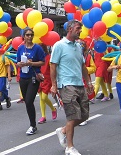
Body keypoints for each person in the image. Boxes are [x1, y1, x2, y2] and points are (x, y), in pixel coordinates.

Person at [50, 20, 93, 155]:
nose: (80, 31)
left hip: (79, 84)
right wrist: (54, 85)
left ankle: (63, 130)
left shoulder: (78, 47)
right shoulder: (59, 45)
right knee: (72, 115)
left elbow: (82, 66)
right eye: (78, 28)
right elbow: (53, 65)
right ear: (70, 29)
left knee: (84, 115)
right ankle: (70, 147)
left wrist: (89, 83)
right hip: (66, 85)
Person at [17, 28, 45, 135]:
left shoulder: (37, 48)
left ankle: (32, 126)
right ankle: (32, 123)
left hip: (33, 77)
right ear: (23, 36)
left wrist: (31, 63)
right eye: (27, 35)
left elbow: (42, 62)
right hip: (23, 77)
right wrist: (19, 64)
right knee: (26, 102)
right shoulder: (20, 48)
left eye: (31, 35)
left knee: (29, 101)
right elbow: (17, 62)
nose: (29, 37)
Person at [37, 43, 57, 124]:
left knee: (44, 97)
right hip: (39, 79)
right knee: (41, 97)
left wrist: (54, 81)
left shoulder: (49, 57)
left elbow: (52, 69)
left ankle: (53, 109)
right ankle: (43, 116)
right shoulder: (37, 58)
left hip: (47, 79)